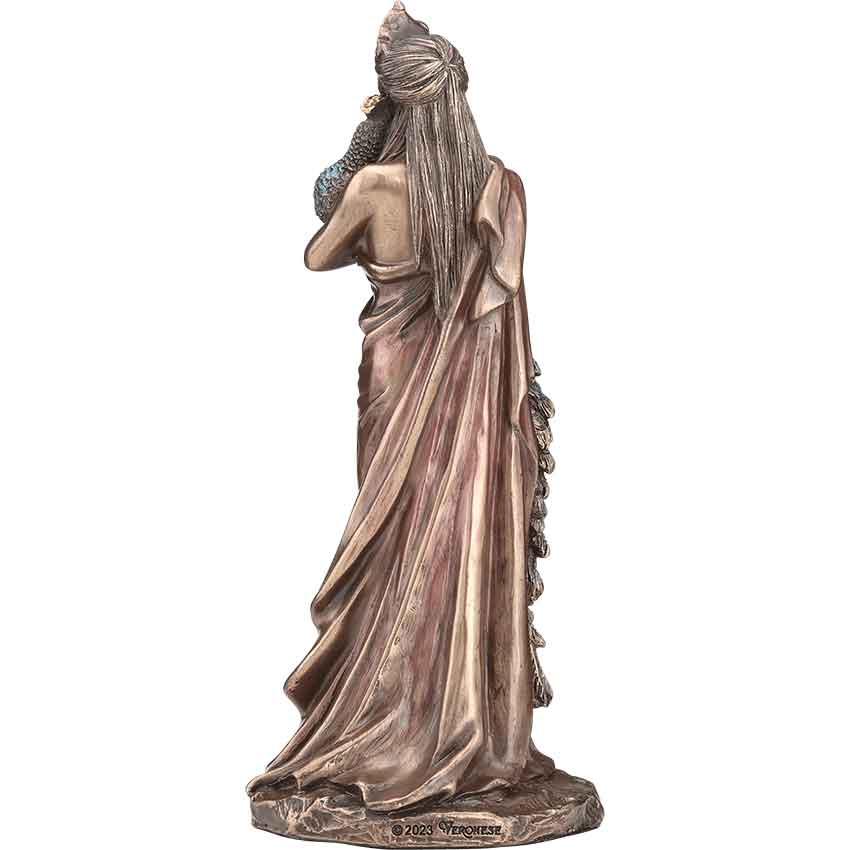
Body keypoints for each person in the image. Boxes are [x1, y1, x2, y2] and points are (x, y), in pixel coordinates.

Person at [248, 25, 559, 813]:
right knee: (456, 524)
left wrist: (361, 141)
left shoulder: (374, 186)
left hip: (392, 370)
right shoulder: (497, 186)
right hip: (468, 390)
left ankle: (385, 709)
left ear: (395, 103)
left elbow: (318, 255)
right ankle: (454, 714)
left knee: (389, 530)